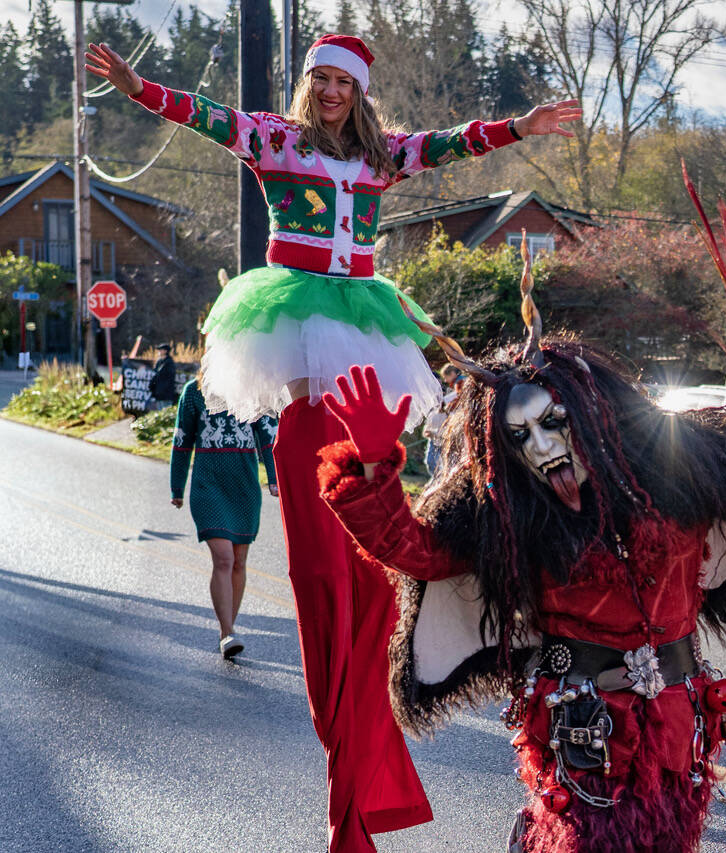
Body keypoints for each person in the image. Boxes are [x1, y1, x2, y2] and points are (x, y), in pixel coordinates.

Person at [86, 34, 581, 852]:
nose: (329, 93)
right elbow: (205, 116)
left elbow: (449, 142)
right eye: (319, 79)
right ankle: (345, 759)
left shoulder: (384, 158)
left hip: (363, 319)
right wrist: (140, 87)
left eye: (341, 83)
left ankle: (365, 730)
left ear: (359, 92)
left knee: (374, 564)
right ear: (306, 85)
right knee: (321, 551)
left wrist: (519, 127)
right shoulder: (275, 141)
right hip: (297, 320)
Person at [312, 282, 726, 852]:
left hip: (679, 723)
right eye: (519, 436)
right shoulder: (507, 518)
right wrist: (373, 470)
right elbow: (415, 551)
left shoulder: (681, 467)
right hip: (583, 725)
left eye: (554, 422)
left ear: (593, 414)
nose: (542, 447)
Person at [169, 378, 279, 658]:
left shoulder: (253, 387)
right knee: (224, 558)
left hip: (244, 485)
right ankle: (227, 632)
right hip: (208, 485)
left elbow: (267, 435)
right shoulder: (194, 392)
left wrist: (274, 478)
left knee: (239, 561)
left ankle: (228, 629)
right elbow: (182, 438)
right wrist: (177, 485)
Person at [148, 342, 177, 408]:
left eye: (161, 350)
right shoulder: (159, 362)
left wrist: (163, 388)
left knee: (166, 410)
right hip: (159, 393)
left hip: (166, 393)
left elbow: (170, 378)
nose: (159, 351)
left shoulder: (170, 363)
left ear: (165, 351)